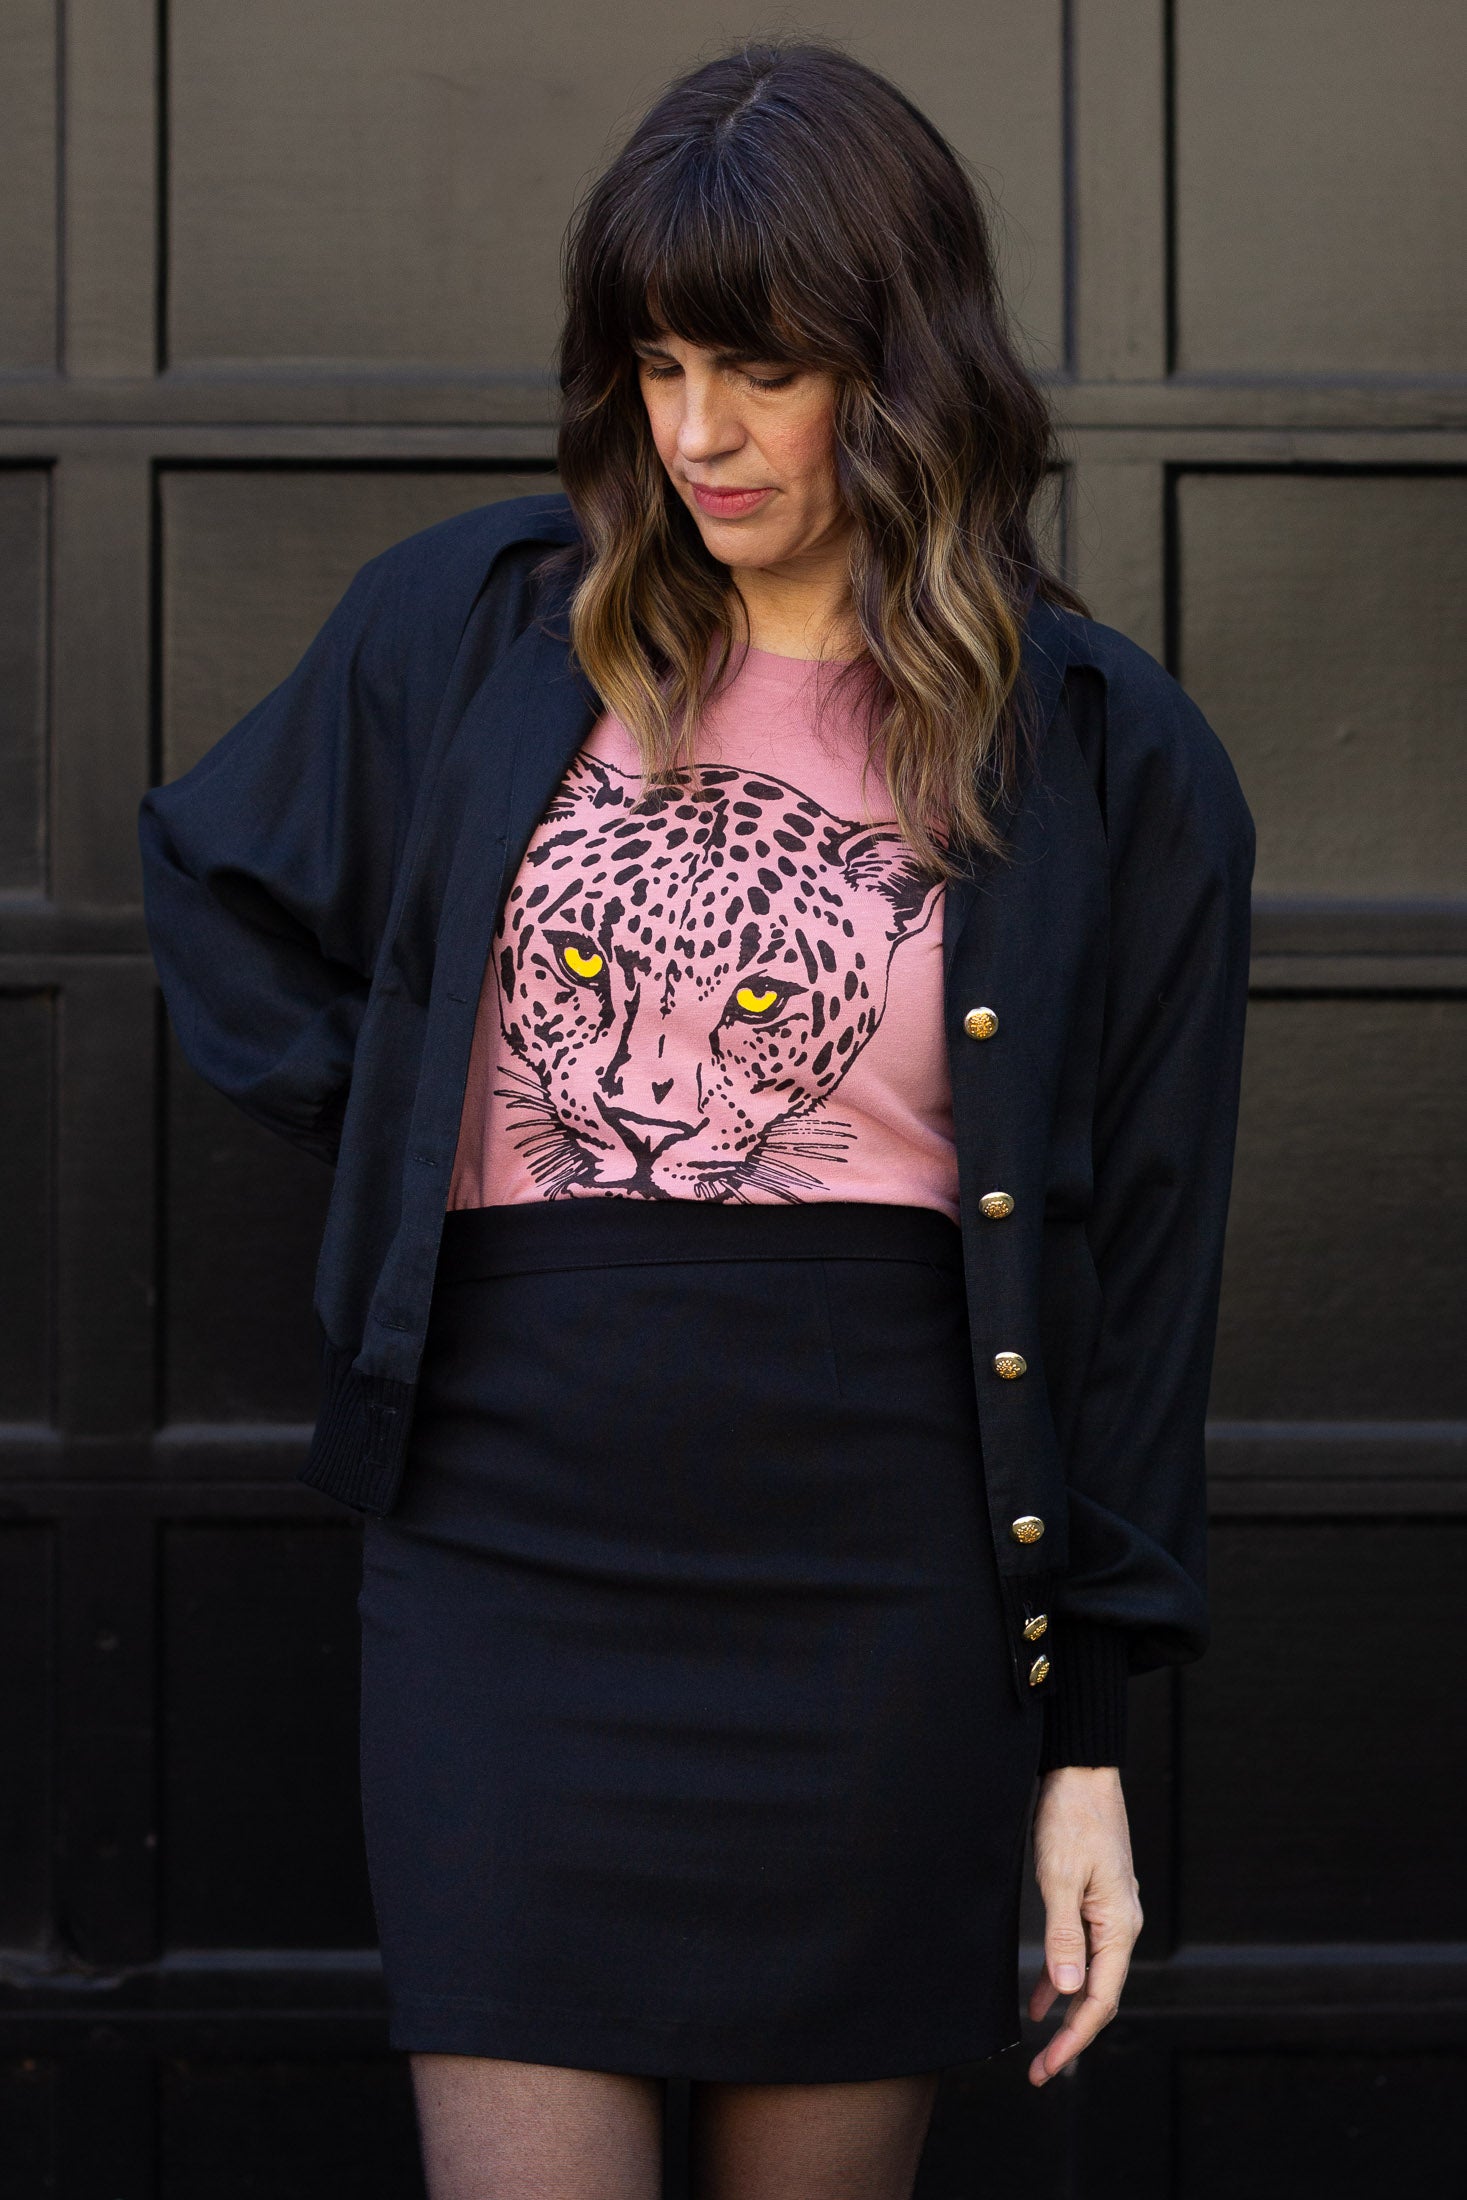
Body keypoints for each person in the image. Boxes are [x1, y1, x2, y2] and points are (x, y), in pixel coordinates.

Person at [137, 39, 1254, 2200]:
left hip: (882, 1585)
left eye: (757, 368)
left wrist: (1083, 1745)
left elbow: (1134, 1278)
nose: (694, 432)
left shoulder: (1111, 754)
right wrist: (401, 1121)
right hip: (499, 1544)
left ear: (902, 367)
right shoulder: (470, 625)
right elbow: (217, 880)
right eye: (652, 363)